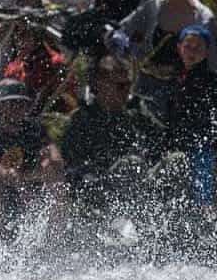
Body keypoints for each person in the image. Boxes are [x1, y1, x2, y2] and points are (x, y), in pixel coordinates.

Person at [112, 0, 217, 123]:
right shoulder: (154, 5)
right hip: (147, 85)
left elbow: (214, 63)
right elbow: (124, 30)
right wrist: (123, 47)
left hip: (186, 91)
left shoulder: (204, 17)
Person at [0, 78, 63, 236]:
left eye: (20, 104)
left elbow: (56, 160)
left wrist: (41, 169)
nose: (15, 109)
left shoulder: (34, 129)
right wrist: (7, 175)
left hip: (28, 185)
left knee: (58, 180)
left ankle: (54, 239)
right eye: (10, 104)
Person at [61, 55, 159, 186]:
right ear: (101, 84)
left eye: (128, 85)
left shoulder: (137, 115)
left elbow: (161, 143)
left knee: (177, 161)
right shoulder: (82, 120)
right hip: (102, 188)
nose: (127, 91)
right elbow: (73, 167)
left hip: (141, 183)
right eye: (120, 86)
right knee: (131, 165)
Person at [163, 24, 217, 203]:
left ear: (206, 52)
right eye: (188, 47)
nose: (192, 52)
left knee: (202, 196)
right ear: (180, 48)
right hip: (181, 145)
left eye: (198, 48)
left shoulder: (210, 80)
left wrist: (212, 140)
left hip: (204, 148)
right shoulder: (174, 78)